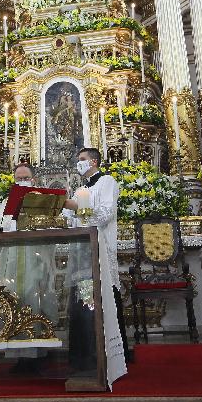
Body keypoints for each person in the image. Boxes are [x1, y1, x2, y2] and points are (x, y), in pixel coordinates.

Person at [63, 147, 128, 385]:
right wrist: (69, 213)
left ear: (94, 161)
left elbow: (105, 214)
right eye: (77, 159)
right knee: (83, 302)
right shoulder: (81, 189)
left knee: (102, 298)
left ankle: (106, 355)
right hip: (83, 253)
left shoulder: (107, 182)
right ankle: (84, 356)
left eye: (82, 159)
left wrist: (75, 209)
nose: (78, 163)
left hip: (100, 248)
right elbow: (71, 220)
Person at [0, 163, 58, 372]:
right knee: (14, 301)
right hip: (12, 261)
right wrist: (8, 224)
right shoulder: (6, 202)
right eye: (18, 178)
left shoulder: (40, 200)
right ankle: (18, 355)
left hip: (35, 259)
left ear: (33, 180)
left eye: (25, 178)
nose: (22, 181)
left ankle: (38, 353)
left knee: (34, 300)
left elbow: (52, 223)